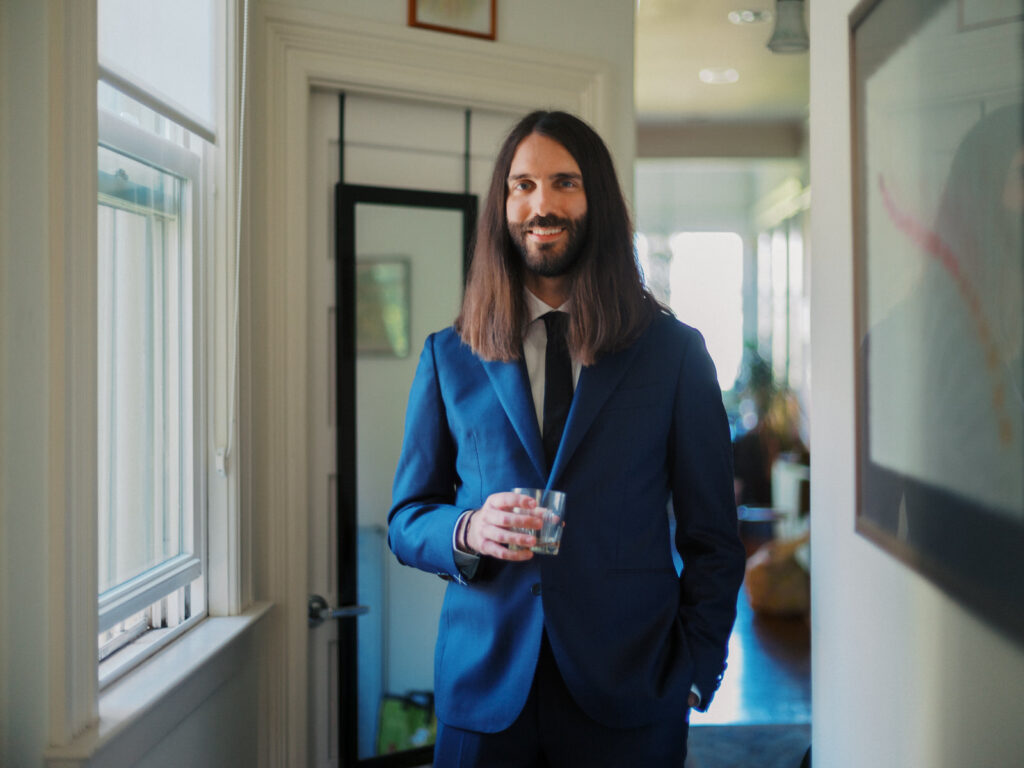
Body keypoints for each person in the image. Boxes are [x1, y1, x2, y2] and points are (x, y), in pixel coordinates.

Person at [388, 110, 746, 767]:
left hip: (634, 696)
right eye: (521, 185)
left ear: (597, 200)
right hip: (484, 696)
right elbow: (406, 519)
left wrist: (698, 668)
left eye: (564, 182)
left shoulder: (675, 354)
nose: (541, 204)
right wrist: (466, 529)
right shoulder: (450, 355)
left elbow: (713, 539)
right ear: (502, 206)